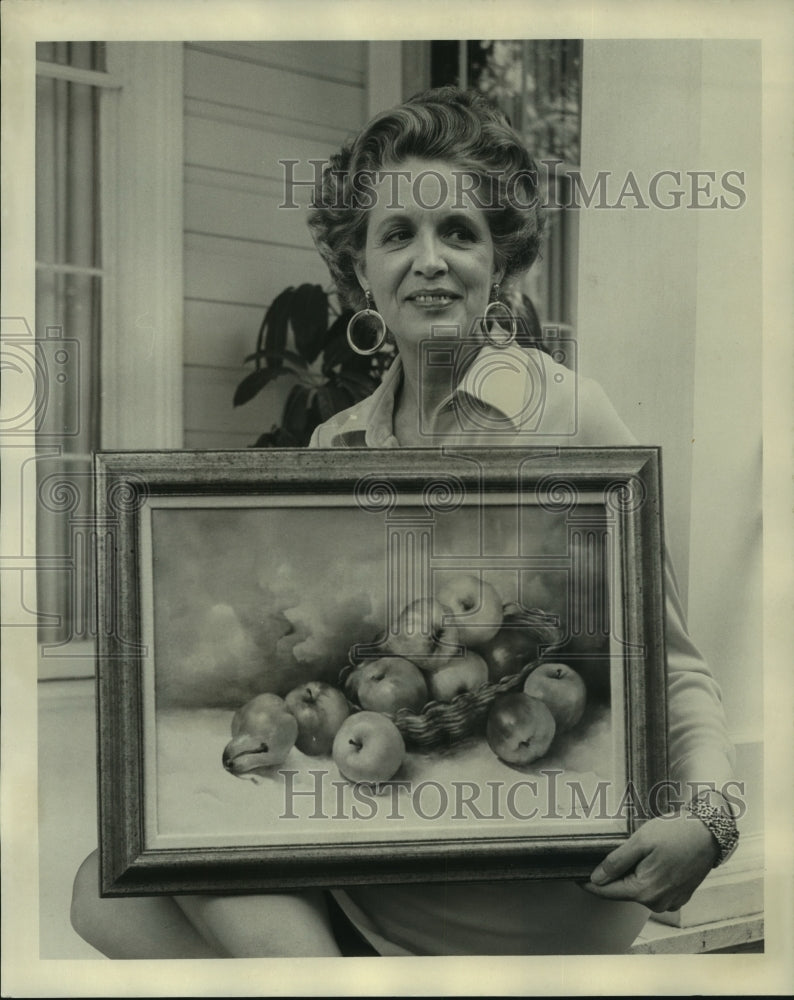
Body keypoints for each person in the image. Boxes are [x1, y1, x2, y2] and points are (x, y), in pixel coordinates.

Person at [71, 86, 739, 958]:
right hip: (376, 843)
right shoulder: (334, 443)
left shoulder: (570, 419)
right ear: (359, 274)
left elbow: (674, 666)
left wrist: (710, 822)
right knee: (104, 883)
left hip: (530, 872)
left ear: (500, 264)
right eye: (399, 235)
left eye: (458, 232)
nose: (430, 260)